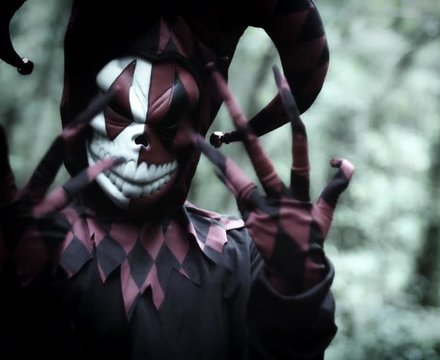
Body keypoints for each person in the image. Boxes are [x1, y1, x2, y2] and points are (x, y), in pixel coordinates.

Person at [0, 2, 354, 359]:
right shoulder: (30, 240)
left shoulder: (244, 256)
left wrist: (294, 287)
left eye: (168, 120)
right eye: (119, 111)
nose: (141, 141)